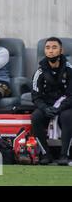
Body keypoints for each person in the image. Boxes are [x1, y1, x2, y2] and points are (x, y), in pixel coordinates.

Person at [31, 37, 72, 166]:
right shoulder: (39, 72)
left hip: (65, 106)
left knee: (67, 116)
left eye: (54, 48)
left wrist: (59, 108)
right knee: (36, 117)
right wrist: (45, 108)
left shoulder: (69, 70)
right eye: (48, 48)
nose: (51, 51)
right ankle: (45, 154)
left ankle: (64, 154)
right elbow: (36, 96)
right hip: (46, 105)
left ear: (61, 50)